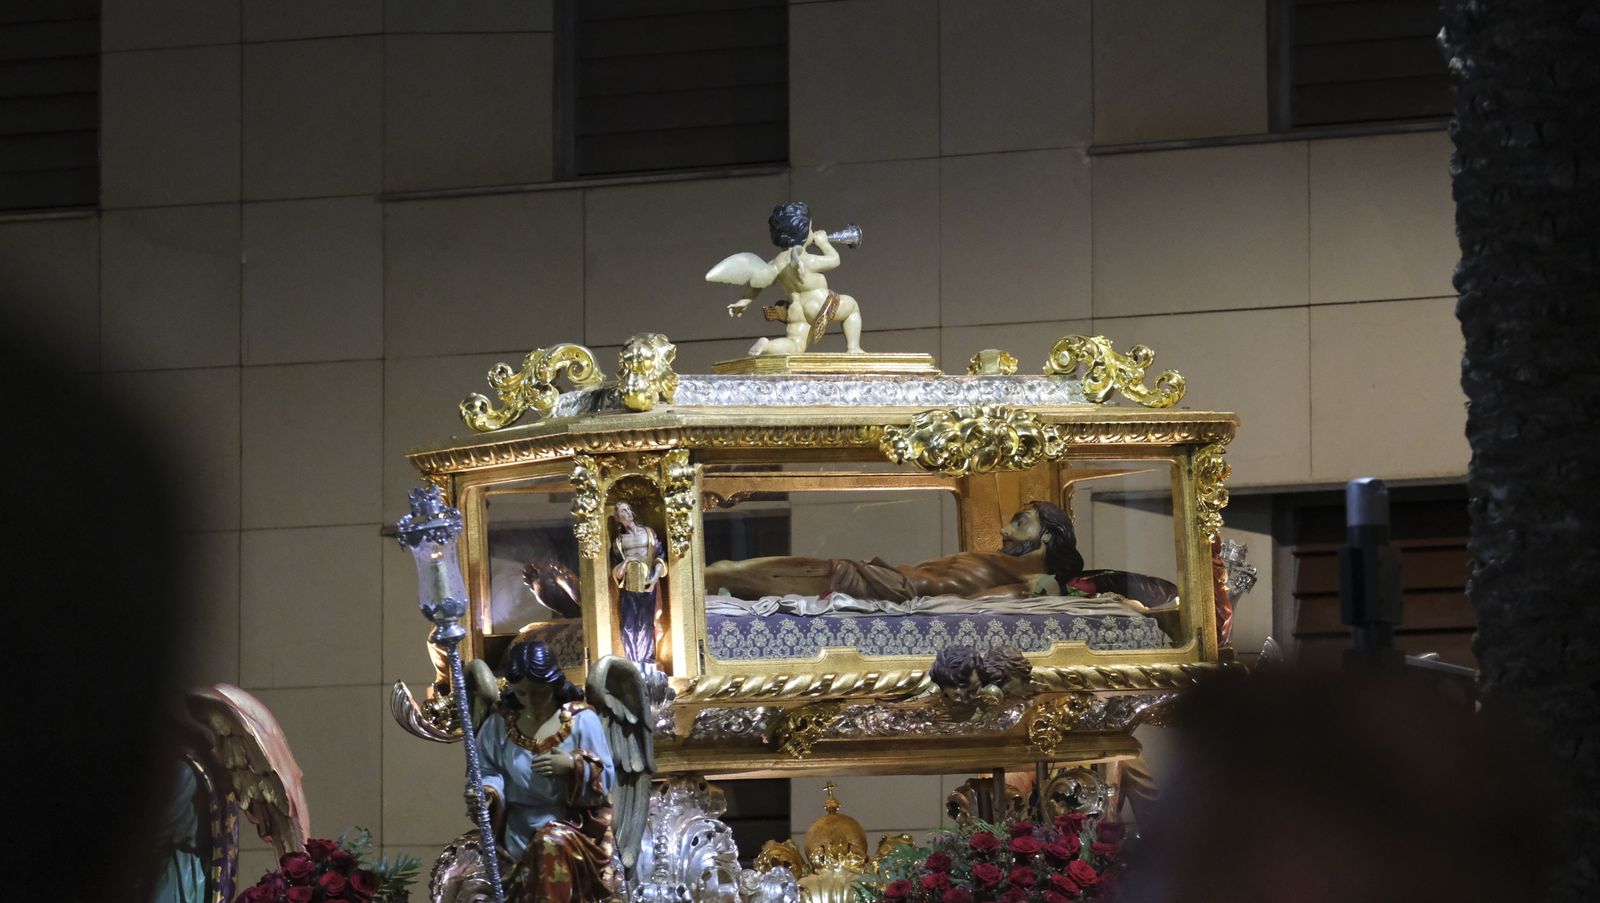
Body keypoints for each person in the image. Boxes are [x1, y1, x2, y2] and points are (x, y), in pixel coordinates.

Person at [704, 500, 1179, 610]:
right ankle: (714, 577)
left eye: (1020, 522)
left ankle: (713, 576)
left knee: (829, 571)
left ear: (1050, 537)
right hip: (896, 579)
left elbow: (1007, 600)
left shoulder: (1035, 582)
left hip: (905, 590)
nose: (1003, 529)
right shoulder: (1021, 570)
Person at [467, 641, 618, 903]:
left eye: (538, 693)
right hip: (516, 830)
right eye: (523, 694)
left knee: (550, 843)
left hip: (571, 828)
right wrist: (484, 792)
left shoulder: (582, 720)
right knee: (462, 871)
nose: (532, 702)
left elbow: (605, 778)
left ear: (554, 683)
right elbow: (486, 770)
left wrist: (573, 766)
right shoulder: (498, 725)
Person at [709, 201, 865, 356]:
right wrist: (824, 244)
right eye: (811, 228)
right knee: (851, 307)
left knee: (796, 345)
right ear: (804, 232)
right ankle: (853, 348)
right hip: (819, 304)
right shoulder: (804, 259)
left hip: (796, 311)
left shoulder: (775, 263)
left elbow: (758, 283)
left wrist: (744, 301)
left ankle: (768, 346)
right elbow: (834, 260)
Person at [611, 502, 665, 663]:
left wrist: (654, 579)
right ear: (617, 518)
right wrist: (625, 563)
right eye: (622, 511)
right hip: (629, 585)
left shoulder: (648, 533)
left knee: (646, 623)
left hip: (648, 581)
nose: (626, 513)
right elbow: (615, 568)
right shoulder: (619, 542)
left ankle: (647, 659)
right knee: (628, 624)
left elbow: (660, 557)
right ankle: (632, 660)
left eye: (628, 509)